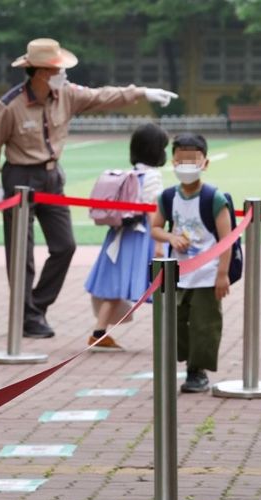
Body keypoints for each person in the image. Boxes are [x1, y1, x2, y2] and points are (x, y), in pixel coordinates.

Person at [0, 38, 178, 338]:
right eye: (57, 69)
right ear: (39, 72)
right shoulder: (10, 106)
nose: (63, 73)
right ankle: (27, 317)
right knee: (20, 253)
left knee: (65, 246)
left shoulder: (67, 94)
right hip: (20, 179)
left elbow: (103, 96)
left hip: (52, 178)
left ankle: (34, 306)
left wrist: (141, 92)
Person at [150, 133, 231, 393]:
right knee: (176, 320)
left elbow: (225, 239)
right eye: (180, 160)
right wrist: (170, 238)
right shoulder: (167, 197)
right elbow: (155, 228)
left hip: (207, 274)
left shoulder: (214, 198)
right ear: (173, 162)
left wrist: (222, 274)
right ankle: (183, 361)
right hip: (178, 273)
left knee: (204, 324)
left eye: (192, 161)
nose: (186, 167)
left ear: (205, 163)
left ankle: (198, 371)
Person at [83, 123, 169, 351]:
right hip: (143, 238)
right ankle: (170, 333)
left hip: (120, 236)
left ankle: (99, 332)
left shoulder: (132, 173)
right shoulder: (152, 177)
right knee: (165, 285)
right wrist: (160, 244)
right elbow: (154, 211)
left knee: (116, 285)